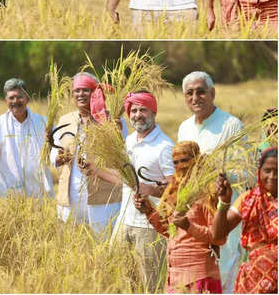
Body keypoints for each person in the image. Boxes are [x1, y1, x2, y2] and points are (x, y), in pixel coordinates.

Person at [177, 70, 245, 292]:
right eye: (190, 93)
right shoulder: (184, 127)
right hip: (193, 217)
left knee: (224, 273)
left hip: (223, 213)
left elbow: (247, 172)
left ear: (213, 93)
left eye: (201, 92)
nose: (195, 98)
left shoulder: (231, 125)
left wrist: (217, 172)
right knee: (198, 276)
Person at [134, 141, 224, 294]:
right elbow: (169, 231)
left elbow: (218, 238)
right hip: (174, 276)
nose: (181, 166)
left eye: (185, 160)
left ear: (197, 160)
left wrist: (189, 226)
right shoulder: (173, 191)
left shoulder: (207, 193)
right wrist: (148, 209)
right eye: (176, 162)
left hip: (199, 275)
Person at [108, 91, 173, 291]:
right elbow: (124, 181)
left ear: (153, 112)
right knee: (121, 281)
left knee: (150, 285)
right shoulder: (129, 141)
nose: (138, 115)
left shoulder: (165, 146)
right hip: (124, 221)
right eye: (133, 110)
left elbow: (175, 187)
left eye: (143, 109)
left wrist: (151, 189)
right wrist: (94, 170)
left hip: (150, 228)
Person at [53, 72, 124, 233]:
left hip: (103, 201)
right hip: (70, 199)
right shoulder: (65, 120)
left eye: (86, 90)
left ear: (96, 93)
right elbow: (55, 150)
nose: (80, 94)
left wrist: (117, 133)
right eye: (77, 90)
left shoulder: (111, 121)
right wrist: (58, 157)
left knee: (102, 246)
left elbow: (122, 155)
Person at [213, 147, 277, 294]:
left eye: (277, 171)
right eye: (267, 170)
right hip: (252, 282)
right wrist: (224, 202)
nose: (273, 176)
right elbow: (218, 235)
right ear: (259, 172)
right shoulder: (248, 199)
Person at [0, 78, 53, 198]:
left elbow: (54, 154)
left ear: (27, 98)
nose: (15, 101)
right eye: (11, 98)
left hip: (38, 194)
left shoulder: (43, 122)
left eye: (20, 97)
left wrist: (53, 145)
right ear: (6, 100)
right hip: (7, 195)